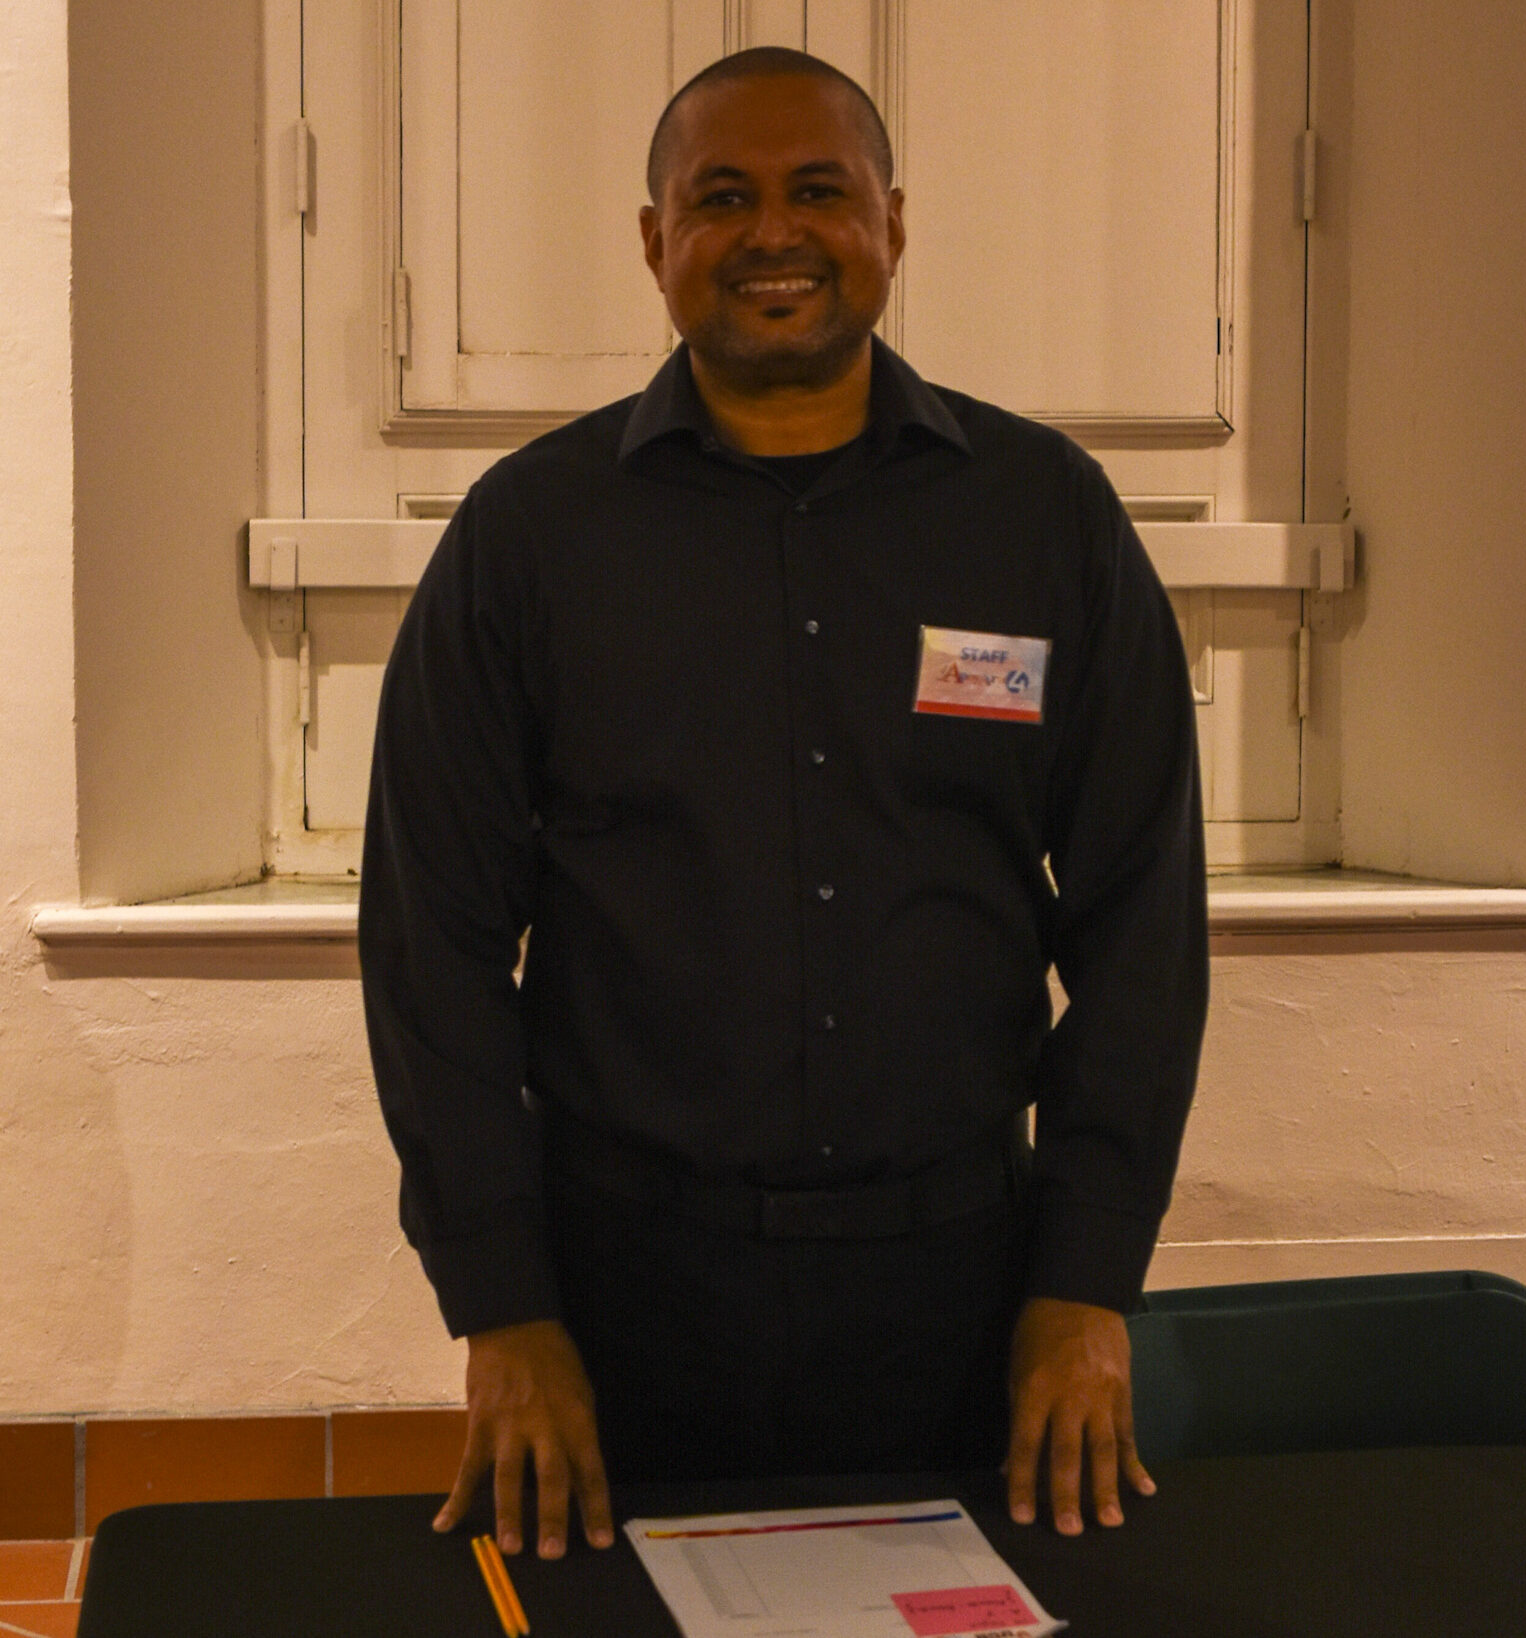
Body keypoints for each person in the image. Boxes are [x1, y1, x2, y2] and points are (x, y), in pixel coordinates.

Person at [360, 46, 1207, 1565]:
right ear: (654, 240)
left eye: (819, 191)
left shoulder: (1044, 518)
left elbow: (1142, 920)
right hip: (624, 1296)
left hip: (964, 1291)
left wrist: (1086, 1279)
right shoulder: (529, 538)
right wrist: (502, 1305)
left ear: (892, 223)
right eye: (721, 198)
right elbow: (433, 948)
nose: (773, 233)